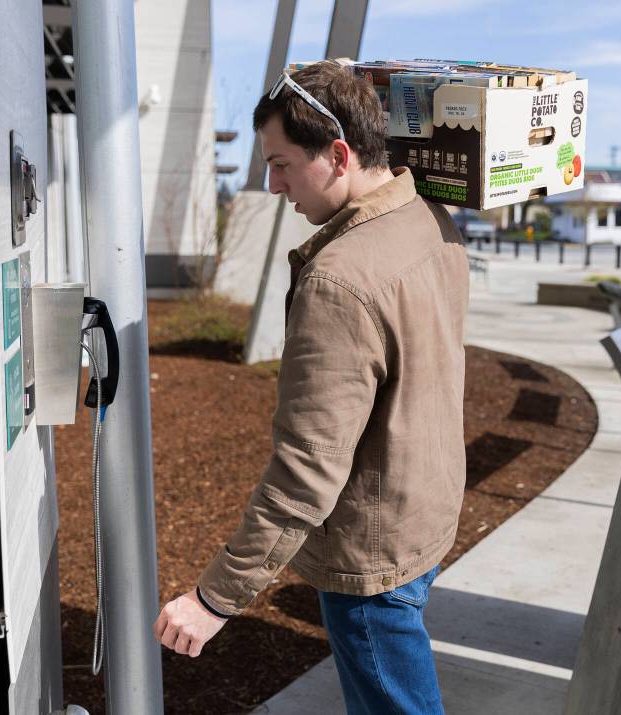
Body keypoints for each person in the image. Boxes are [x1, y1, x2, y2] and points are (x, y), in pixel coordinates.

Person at [154, 60, 469, 714]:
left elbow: (308, 468)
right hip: (424, 513)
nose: (273, 185)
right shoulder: (431, 219)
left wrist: (215, 597)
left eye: (282, 164)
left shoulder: (339, 281)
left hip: (372, 557)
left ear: (338, 154)